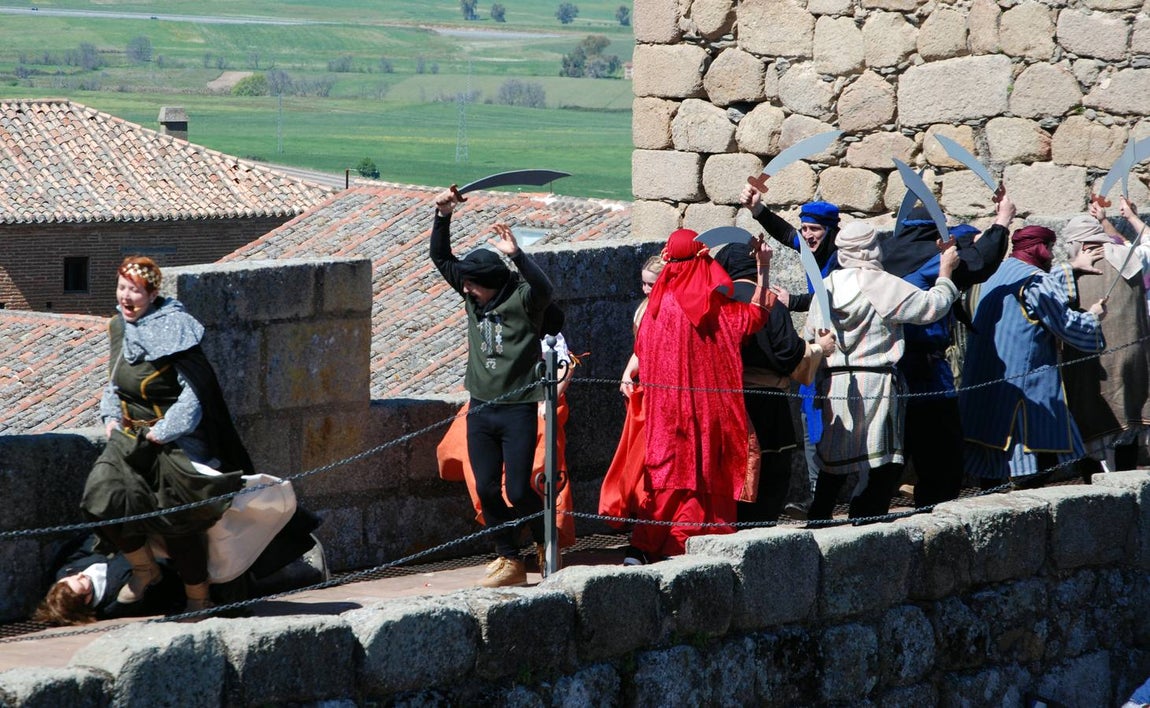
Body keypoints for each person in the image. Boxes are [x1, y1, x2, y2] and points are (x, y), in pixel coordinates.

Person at [80, 256, 254, 612]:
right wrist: (110, 418)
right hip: (128, 439)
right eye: (122, 288)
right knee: (100, 498)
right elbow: (115, 381)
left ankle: (198, 597)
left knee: (177, 523)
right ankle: (145, 570)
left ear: (153, 292)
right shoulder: (119, 326)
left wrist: (163, 432)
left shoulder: (175, 328)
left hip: (173, 442)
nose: (126, 297)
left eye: (136, 291)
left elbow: (195, 395)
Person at [618, 228, 777, 561]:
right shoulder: (714, 308)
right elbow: (755, 317)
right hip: (708, 409)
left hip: (665, 412)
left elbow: (642, 354)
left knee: (667, 476)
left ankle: (646, 545)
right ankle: (696, 543)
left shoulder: (653, 312)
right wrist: (762, 267)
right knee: (706, 474)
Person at [430, 188, 554, 588]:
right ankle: (508, 559)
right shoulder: (472, 298)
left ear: (488, 282)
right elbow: (441, 258)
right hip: (480, 408)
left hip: (517, 407)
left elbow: (545, 289)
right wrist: (443, 215)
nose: (465, 291)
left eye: (471, 287)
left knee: (518, 490)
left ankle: (544, 541)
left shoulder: (522, 300)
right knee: (485, 488)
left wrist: (517, 255)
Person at [804, 221, 960, 520]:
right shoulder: (882, 283)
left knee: (833, 464)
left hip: (836, 383)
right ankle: (866, 519)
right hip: (876, 383)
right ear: (869, 248)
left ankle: (818, 520)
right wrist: (946, 272)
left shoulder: (827, 286)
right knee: (882, 462)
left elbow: (812, 334)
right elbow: (932, 307)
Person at [880, 197, 1015, 507]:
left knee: (889, 462)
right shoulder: (932, 263)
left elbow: (965, 237)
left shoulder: (888, 252)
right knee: (941, 462)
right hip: (926, 376)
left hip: (888, 373)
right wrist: (1002, 220)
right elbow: (980, 260)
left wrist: (963, 234)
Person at [959, 225, 1108, 487]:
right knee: (1031, 454)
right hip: (1025, 387)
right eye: (1050, 249)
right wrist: (1093, 317)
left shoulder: (994, 273)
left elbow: (1039, 290)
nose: (1051, 255)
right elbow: (1064, 323)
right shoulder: (1036, 282)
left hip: (984, 379)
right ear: (1041, 248)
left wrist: (1070, 267)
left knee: (991, 450)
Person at [436, 303, 578, 572]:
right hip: (497, 405)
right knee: (480, 473)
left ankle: (544, 541)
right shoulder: (492, 325)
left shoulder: (543, 326)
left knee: (538, 469)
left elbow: (563, 365)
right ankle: (508, 551)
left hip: (539, 405)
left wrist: (546, 400)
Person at [712, 243, 835, 522]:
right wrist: (818, 348)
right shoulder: (769, 302)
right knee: (770, 466)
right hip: (768, 401)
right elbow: (789, 352)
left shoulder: (715, 300)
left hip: (725, 400)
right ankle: (760, 525)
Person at [740, 186, 842, 517]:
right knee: (812, 420)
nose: (808, 236)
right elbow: (787, 234)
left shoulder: (841, 257)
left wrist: (794, 301)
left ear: (830, 231)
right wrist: (758, 210)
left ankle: (831, 500)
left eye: (816, 230)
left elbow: (837, 298)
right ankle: (817, 499)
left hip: (842, 347)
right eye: (806, 229)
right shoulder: (812, 250)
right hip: (818, 344)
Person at [1062, 204, 1150, 473]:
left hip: (1095, 365)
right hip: (1134, 357)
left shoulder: (1070, 273)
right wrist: (1132, 217)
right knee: (1130, 423)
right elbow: (1148, 240)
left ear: (1080, 242)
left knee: (1100, 425)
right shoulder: (1131, 258)